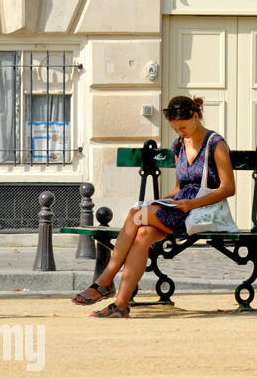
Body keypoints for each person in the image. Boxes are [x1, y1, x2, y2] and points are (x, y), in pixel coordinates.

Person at [71, 95, 235, 317]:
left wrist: (191, 203)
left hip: (199, 210)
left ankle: (105, 280)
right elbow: (180, 186)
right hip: (181, 207)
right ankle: (120, 304)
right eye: (176, 129)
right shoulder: (179, 145)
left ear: (196, 116)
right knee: (144, 234)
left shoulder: (215, 143)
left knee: (135, 214)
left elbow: (228, 188)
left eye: (183, 127)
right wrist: (164, 202)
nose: (180, 132)